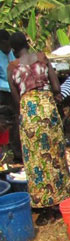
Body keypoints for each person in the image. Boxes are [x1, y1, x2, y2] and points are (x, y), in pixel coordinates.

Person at [7, 32, 70, 222]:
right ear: (28, 43)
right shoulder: (42, 58)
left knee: (36, 160)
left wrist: (26, 110)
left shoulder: (12, 67)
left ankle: (45, 209)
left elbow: (15, 97)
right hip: (47, 107)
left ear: (12, 49)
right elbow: (56, 86)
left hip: (29, 112)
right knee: (55, 155)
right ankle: (61, 200)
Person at [0, 29, 20, 162]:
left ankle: (17, 152)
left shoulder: (12, 54)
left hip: (14, 91)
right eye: (6, 44)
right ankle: (6, 153)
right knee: (4, 123)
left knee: (16, 121)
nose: (8, 47)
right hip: (3, 92)